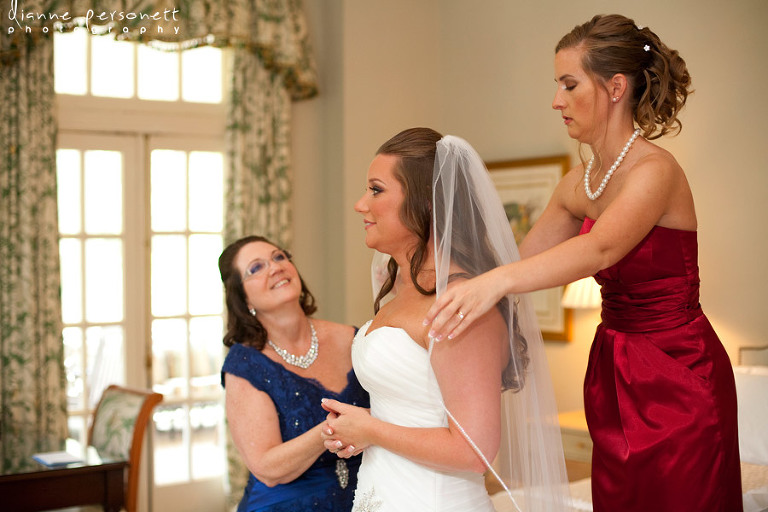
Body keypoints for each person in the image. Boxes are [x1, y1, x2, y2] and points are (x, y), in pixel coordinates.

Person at [424, 14, 742, 512]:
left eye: (569, 85)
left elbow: (599, 250)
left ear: (615, 87)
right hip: (613, 372)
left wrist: (495, 283)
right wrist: (432, 261)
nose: (557, 100)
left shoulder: (655, 171)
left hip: (679, 372)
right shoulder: (579, 183)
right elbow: (520, 261)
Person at [320, 128, 570, 511]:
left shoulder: (462, 304)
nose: (360, 204)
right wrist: (362, 426)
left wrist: (370, 429)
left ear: (424, 203)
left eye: (375, 190)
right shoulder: (400, 288)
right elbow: (419, 409)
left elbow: (474, 451)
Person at [219, 235, 369, 512]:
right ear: (243, 297)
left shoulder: (353, 338)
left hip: (367, 497)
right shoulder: (245, 364)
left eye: (279, 257)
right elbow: (267, 469)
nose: (275, 267)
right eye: (256, 268)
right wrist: (331, 430)